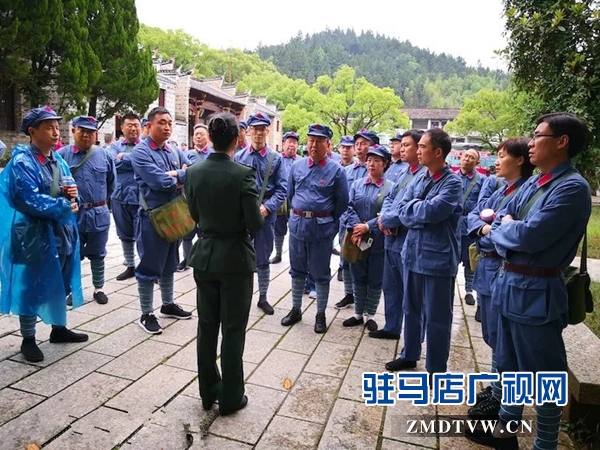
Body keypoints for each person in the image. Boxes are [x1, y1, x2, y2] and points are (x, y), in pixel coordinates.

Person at [466, 113, 592, 450]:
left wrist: (501, 228)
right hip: (509, 284)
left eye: (538, 135)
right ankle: (505, 434)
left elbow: (530, 235)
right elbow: (500, 218)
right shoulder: (539, 182)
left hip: (536, 292)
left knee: (542, 376)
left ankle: (545, 443)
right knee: (508, 366)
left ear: (561, 141)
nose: (531, 142)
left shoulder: (571, 188)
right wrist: (505, 227)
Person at [185, 112, 263, 416]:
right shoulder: (242, 174)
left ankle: (208, 391)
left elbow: (194, 213)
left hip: (204, 255)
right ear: (237, 139)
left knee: (206, 327)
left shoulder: (192, 172)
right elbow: (254, 223)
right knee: (233, 330)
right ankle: (231, 396)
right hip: (235, 259)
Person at [0, 107, 88, 362]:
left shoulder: (58, 160)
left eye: (56, 126)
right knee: (31, 285)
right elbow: (26, 199)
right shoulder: (21, 161)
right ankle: (28, 338)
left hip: (62, 232)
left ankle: (58, 328)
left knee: (59, 280)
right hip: (33, 234)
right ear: (32, 131)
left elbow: (72, 189)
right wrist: (64, 204)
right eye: (48, 126)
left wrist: (75, 199)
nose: (55, 131)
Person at [465, 138, 534, 420]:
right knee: (492, 333)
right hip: (487, 267)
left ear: (520, 160)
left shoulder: (524, 193)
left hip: (503, 268)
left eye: (502, 155)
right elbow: (471, 217)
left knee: (502, 338)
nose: (496, 160)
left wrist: (489, 230)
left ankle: (501, 394)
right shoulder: (499, 190)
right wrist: (486, 230)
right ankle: (497, 386)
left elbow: (511, 235)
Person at [385, 128, 462, 373]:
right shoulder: (420, 178)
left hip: (437, 260)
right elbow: (403, 208)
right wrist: (418, 212)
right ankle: (410, 354)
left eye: (422, 147)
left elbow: (433, 211)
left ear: (438, 152)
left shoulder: (452, 182)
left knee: (438, 318)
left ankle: (436, 367)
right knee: (411, 309)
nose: (417, 151)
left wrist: (416, 212)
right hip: (412, 255)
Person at [130, 107, 193, 334]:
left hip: (174, 214)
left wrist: (177, 175)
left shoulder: (173, 151)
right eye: (161, 123)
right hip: (152, 217)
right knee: (149, 265)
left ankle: (168, 304)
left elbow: (193, 170)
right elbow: (159, 183)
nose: (167, 127)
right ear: (149, 125)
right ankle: (146, 313)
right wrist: (178, 176)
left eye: (169, 123)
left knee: (170, 262)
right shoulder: (141, 152)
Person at [281, 124, 349, 333]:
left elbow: (342, 203)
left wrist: (326, 220)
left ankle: (320, 313)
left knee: (320, 273)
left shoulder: (336, 170)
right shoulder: (297, 167)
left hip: (321, 229)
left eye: (319, 141)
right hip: (298, 226)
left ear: (328, 145)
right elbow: (291, 196)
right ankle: (295, 309)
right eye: (311, 140)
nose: (314, 144)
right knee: (297, 270)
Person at [372, 129, 426, 340]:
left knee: (411, 293)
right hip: (390, 238)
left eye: (407, 145)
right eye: (401, 145)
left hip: (407, 239)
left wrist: (386, 220)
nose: (402, 149)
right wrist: (383, 217)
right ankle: (392, 326)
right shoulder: (403, 171)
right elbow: (389, 197)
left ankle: (414, 338)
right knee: (391, 286)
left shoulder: (424, 175)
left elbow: (409, 208)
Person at [58, 116, 116, 305]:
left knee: (98, 253)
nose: (86, 135)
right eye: (82, 130)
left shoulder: (105, 155)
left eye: (90, 131)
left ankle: (99, 288)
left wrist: (99, 203)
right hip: (72, 214)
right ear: (73, 130)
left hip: (99, 213)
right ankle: (71, 289)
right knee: (71, 253)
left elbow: (112, 184)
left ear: (96, 134)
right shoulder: (62, 155)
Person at [234, 113, 287, 315]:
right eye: (254, 129)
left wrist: (267, 207)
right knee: (241, 256)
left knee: (263, 257)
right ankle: (242, 295)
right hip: (243, 217)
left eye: (262, 129)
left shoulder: (277, 159)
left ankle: (263, 297)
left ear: (267, 132)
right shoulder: (239, 157)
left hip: (266, 215)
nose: (258, 133)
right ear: (248, 131)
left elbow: (283, 189)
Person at [341, 145, 394, 332]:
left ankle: (371, 314)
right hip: (357, 239)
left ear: (385, 164)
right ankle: (358, 313)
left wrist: (368, 226)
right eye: (369, 160)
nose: (371, 164)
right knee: (358, 275)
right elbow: (347, 206)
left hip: (378, 240)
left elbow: (387, 212)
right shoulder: (356, 185)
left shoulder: (390, 188)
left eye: (377, 161)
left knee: (375, 278)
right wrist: (357, 228)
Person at [335, 129, 379, 310]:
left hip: (370, 226)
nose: (360, 147)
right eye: (358, 144)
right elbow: (342, 199)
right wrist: (353, 224)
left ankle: (368, 301)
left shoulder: (379, 170)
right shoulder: (346, 170)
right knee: (347, 259)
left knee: (368, 262)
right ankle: (349, 294)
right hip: (348, 224)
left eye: (364, 144)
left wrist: (365, 225)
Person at [108, 113, 142, 281]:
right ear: (122, 127)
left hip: (141, 198)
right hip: (119, 196)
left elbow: (144, 161)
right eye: (129, 125)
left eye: (136, 125)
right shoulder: (114, 147)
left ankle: (146, 267)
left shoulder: (144, 146)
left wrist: (126, 158)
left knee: (143, 234)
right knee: (124, 233)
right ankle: (130, 266)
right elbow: (112, 163)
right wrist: (134, 161)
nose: (133, 128)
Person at [177, 123, 213, 272]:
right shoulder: (186, 154)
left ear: (208, 137)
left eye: (202, 134)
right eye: (196, 134)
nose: (198, 136)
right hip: (189, 200)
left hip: (208, 201)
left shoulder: (213, 154)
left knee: (205, 233)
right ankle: (187, 259)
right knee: (187, 234)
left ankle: (204, 258)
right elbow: (181, 174)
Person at [456, 148, 484, 311]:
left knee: (470, 260)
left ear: (477, 162)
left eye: (471, 157)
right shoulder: (451, 178)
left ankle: (468, 290)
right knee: (452, 258)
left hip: (470, 225)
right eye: (465, 156)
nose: (467, 159)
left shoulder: (481, 180)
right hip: (453, 223)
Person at [270, 131, 301, 264]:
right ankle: (278, 253)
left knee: (296, 227)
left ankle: (297, 255)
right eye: (289, 142)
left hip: (297, 199)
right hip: (281, 198)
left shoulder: (301, 161)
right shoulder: (276, 159)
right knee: (279, 227)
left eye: (294, 143)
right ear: (283, 143)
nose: (291, 145)